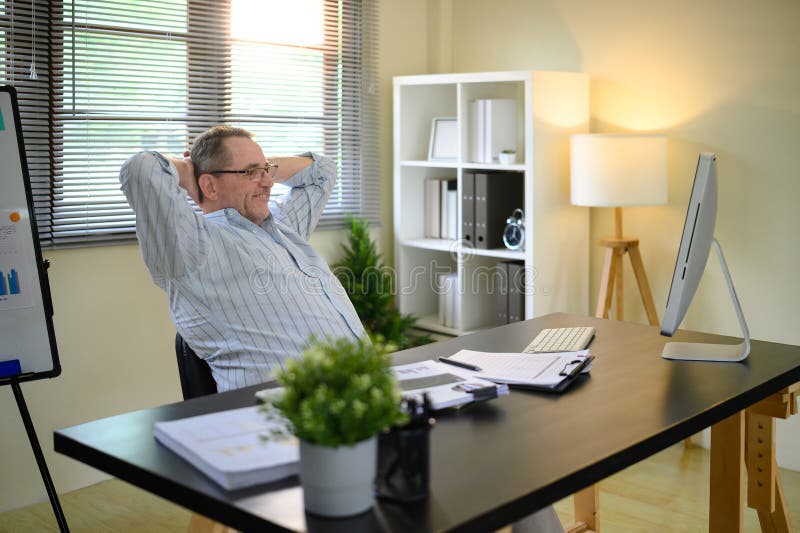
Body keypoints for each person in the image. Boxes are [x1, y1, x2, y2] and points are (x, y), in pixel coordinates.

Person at [120, 126, 365, 392]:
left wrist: (252, 167)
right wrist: (191, 170)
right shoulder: (193, 247)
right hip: (290, 414)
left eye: (267, 170)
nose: (269, 182)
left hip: (365, 395)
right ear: (209, 185)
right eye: (250, 172)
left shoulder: (282, 226)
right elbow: (141, 169)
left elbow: (323, 171)